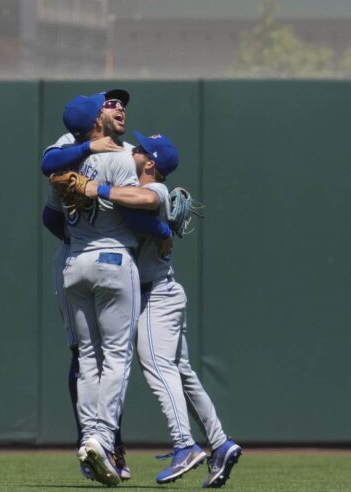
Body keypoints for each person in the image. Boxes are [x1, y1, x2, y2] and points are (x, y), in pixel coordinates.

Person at [82, 132, 242, 488]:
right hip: (162, 292)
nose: (132, 151)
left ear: (150, 163)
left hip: (155, 297)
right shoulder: (143, 189)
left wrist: (97, 189)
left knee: (156, 365)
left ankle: (185, 444)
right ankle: (219, 442)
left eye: (139, 150)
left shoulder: (154, 192)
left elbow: (131, 208)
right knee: (182, 374)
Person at [42, 91, 170, 487]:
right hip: (112, 259)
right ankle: (99, 438)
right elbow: (140, 208)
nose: (116, 107)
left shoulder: (75, 158)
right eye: (108, 104)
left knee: (88, 359)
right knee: (114, 358)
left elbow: (51, 211)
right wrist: (165, 225)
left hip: (76, 262)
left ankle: (94, 441)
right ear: (95, 119)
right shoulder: (116, 156)